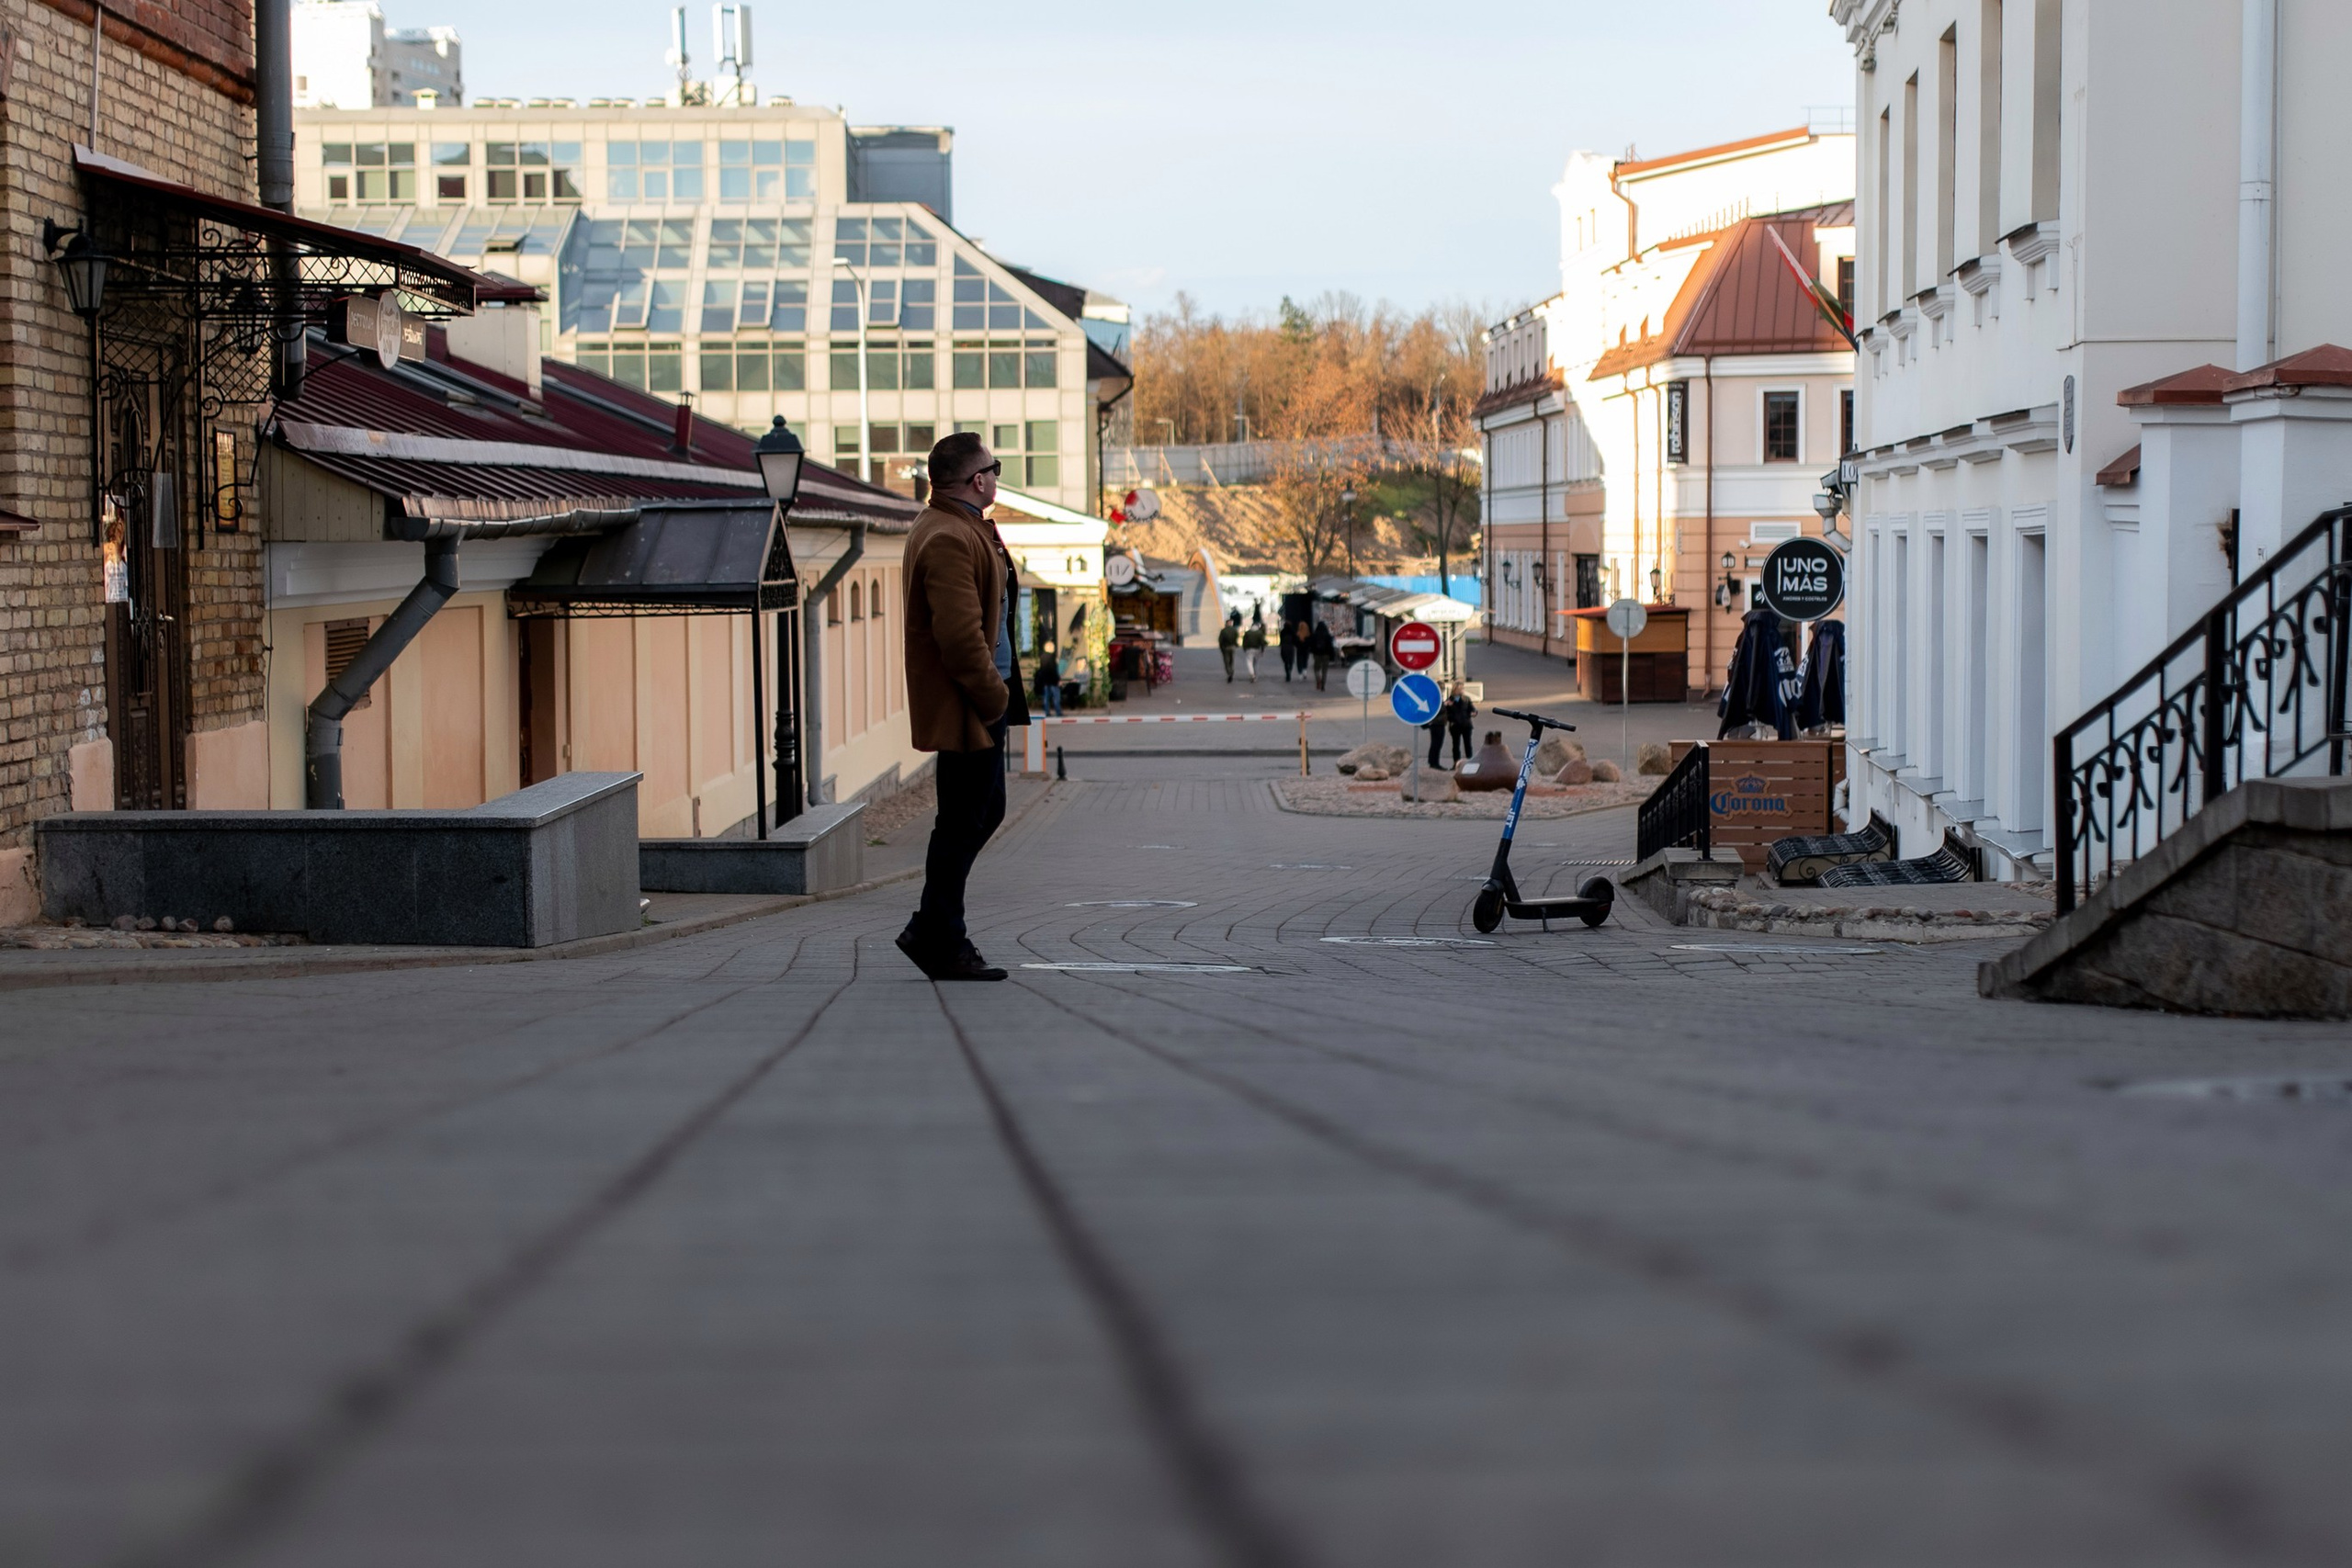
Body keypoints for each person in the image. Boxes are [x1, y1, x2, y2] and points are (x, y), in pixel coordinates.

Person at [895, 432, 1029, 982]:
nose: (995, 477)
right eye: (993, 470)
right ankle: (941, 938)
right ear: (978, 479)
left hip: (980, 699)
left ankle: (933, 929)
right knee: (962, 820)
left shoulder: (958, 525)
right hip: (971, 704)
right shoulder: (948, 535)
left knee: (979, 811)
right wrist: (994, 699)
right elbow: (959, 638)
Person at [1442, 680, 1476, 765]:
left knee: (1468, 744)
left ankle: (1470, 763)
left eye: (1462, 689)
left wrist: (1474, 712)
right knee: (1456, 745)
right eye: (1459, 689)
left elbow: (1472, 709)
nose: (1461, 690)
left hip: (1466, 725)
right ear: (1455, 689)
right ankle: (1456, 763)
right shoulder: (1449, 700)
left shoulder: (1466, 699)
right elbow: (1446, 714)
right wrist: (1447, 707)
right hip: (1455, 726)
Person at [1036, 639, 1062, 716]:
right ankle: (1058, 712)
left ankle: (1047, 712)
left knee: (1046, 697)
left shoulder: (1042, 657)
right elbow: (1054, 670)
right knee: (1056, 696)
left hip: (1045, 680)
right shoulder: (1052, 657)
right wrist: (1058, 680)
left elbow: (1042, 669)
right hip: (1053, 680)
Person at [1308, 621, 1336, 691]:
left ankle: (1318, 679)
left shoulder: (1315, 635)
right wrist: (1332, 656)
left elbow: (1311, 645)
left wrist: (1312, 651)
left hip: (1317, 654)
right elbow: (1331, 646)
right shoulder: (1327, 635)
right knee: (1324, 670)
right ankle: (1323, 685)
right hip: (1326, 655)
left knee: (1316, 669)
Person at [1242, 615, 1266, 681]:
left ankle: (1252, 674)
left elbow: (1244, 642)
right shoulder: (1260, 633)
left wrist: (1244, 648)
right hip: (1257, 649)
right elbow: (1262, 642)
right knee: (1256, 663)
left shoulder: (1247, 633)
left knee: (1249, 662)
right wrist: (1262, 650)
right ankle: (1255, 675)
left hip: (1249, 649)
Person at [1217, 613, 1239, 682]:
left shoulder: (1223, 631)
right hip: (1233, 647)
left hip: (1225, 647)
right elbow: (1236, 637)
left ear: (1226, 624)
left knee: (1226, 661)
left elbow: (1220, 640)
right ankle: (1231, 672)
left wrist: (1221, 648)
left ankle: (1229, 673)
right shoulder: (1234, 630)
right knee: (1231, 661)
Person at [1277, 617, 1298, 682]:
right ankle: (1290, 671)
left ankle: (1287, 673)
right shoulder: (1292, 631)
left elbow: (1281, 639)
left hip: (1284, 647)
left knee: (1286, 661)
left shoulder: (1282, 632)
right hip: (1291, 647)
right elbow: (1295, 640)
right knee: (1291, 661)